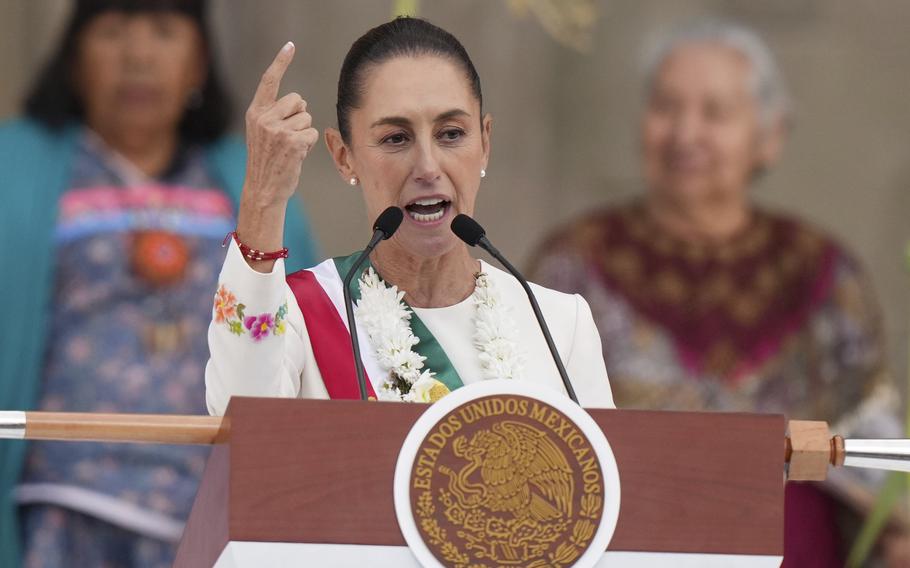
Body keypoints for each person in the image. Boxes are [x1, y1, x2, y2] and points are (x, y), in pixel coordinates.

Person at [529, 19, 906, 566]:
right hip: (625, 547)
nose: (685, 133)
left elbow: (871, 440)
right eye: (665, 107)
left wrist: (895, 535)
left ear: (769, 135)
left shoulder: (822, 270)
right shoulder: (575, 262)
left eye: (715, 113)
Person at [0, 1, 318, 566]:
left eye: (165, 32)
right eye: (114, 31)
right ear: (73, 58)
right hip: (60, 508)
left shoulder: (252, 178)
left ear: (199, 64)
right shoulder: (14, 165)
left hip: (217, 516)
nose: (138, 56)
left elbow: (303, 337)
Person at [205, 17, 614, 420]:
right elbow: (237, 418)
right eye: (395, 138)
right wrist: (263, 197)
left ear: (485, 143)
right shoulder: (302, 313)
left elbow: (606, 478)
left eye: (451, 133)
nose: (427, 166)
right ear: (343, 156)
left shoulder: (560, 323)